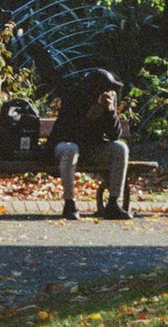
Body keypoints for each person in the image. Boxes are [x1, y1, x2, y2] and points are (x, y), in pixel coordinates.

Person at [46, 67, 131, 220]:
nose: (106, 93)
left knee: (120, 148)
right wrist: (88, 118)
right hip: (63, 147)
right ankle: (69, 204)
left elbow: (114, 136)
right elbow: (67, 133)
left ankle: (113, 204)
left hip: (91, 149)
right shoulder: (73, 97)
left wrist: (111, 112)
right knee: (71, 149)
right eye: (102, 90)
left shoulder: (107, 100)